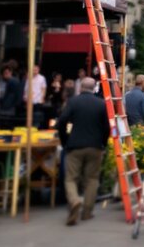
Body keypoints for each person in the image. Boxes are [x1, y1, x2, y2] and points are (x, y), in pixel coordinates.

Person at [57, 77, 110, 226]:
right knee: (92, 179)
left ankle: (74, 201)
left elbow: (62, 121)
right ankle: (87, 212)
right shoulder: (101, 104)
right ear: (94, 88)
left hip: (74, 144)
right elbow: (107, 127)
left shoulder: (73, 101)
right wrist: (103, 143)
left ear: (81, 87)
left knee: (71, 178)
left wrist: (65, 140)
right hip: (95, 146)